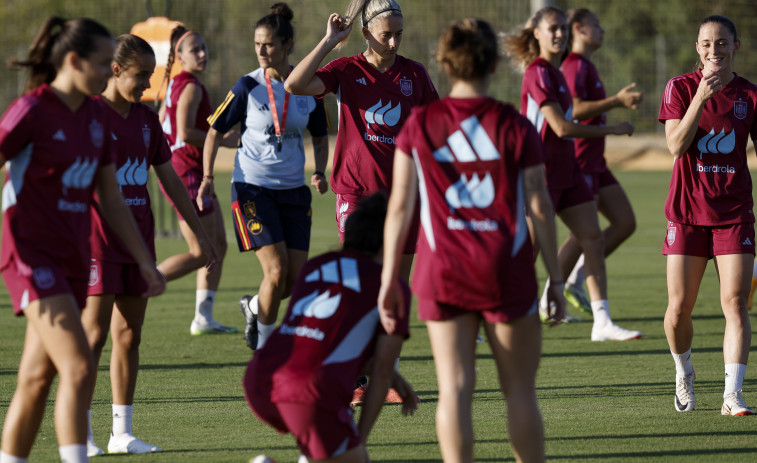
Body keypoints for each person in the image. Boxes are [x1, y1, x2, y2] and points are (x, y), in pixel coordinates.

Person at [379, 17, 566, 463]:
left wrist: (389, 279)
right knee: (519, 392)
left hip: (442, 270)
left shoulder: (420, 124)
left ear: (444, 64)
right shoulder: (514, 125)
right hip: (506, 268)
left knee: (454, 390)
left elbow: (399, 208)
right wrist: (555, 279)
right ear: (494, 66)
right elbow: (539, 205)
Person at [0, 17, 165, 463]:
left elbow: (111, 198)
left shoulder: (95, 117)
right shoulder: (32, 110)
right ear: (74, 62)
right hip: (31, 256)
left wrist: (145, 261)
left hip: (72, 258)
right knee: (77, 364)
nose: (106, 70)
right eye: (100, 63)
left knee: (37, 378)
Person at [82, 34, 219, 457]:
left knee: (129, 336)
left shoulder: (145, 119)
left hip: (138, 241)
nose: (147, 84)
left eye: (151, 76)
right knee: (92, 339)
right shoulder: (89, 115)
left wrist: (199, 231)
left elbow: (169, 179)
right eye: (141, 75)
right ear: (116, 70)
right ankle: (80, 431)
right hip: (96, 242)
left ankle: (120, 433)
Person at [245, 193, 417, 463]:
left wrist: (396, 380)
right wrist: (357, 439)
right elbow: (382, 371)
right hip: (307, 390)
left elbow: (313, 339)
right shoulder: (390, 287)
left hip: (260, 377)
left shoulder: (318, 265)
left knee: (323, 442)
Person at [504, 6, 642, 341]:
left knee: (592, 239)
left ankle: (602, 322)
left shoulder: (558, 73)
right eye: (552, 28)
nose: (559, 34)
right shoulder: (537, 72)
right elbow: (562, 127)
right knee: (527, 254)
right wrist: (614, 129)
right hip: (540, 176)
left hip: (569, 173)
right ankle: (494, 316)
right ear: (536, 33)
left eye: (563, 28)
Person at [200, 3, 329, 350]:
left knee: (291, 281)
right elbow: (213, 132)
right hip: (253, 189)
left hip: (294, 192)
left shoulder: (308, 88)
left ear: (287, 45)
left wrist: (319, 171)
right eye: (257, 43)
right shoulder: (246, 87)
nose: (260, 50)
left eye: (268, 44)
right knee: (275, 272)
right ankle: (267, 352)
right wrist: (207, 177)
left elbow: (319, 136)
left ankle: (252, 307)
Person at [285, 0, 439, 282]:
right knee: (360, 280)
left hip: (403, 196)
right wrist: (329, 41)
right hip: (356, 194)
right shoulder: (346, 70)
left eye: (399, 34)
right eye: (386, 35)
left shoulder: (415, 75)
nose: (394, 43)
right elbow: (293, 85)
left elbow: (437, 130)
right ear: (366, 33)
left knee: (395, 287)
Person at [659, 15, 757, 416]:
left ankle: (732, 394)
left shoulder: (750, 96)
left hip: (734, 215)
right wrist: (700, 98)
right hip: (685, 214)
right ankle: (684, 372)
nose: (713, 50)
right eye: (705, 44)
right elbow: (675, 147)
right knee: (679, 309)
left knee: (735, 303)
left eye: (721, 43)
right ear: (696, 48)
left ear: (735, 46)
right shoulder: (680, 88)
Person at [557, 8, 644, 314]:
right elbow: (574, 111)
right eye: (597, 25)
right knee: (584, 234)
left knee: (624, 222)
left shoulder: (587, 66)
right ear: (579, 29)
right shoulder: (573, 66)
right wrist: (617, 102)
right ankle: (547, 297)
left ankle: (577, 279)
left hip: (597, 161)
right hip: (580, 160)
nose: (603, 30)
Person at [158, 25, 240, 335]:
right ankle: (142, 282)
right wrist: (224, 139)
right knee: (203, 252)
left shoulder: (176, 85)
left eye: (204, 47)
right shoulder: (191, 86)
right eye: (196, 50)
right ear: (179, 56)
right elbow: (185, 133)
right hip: (187, 174)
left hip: (188, 172)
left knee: (217, 245)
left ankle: (203, 317)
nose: (203, 54)